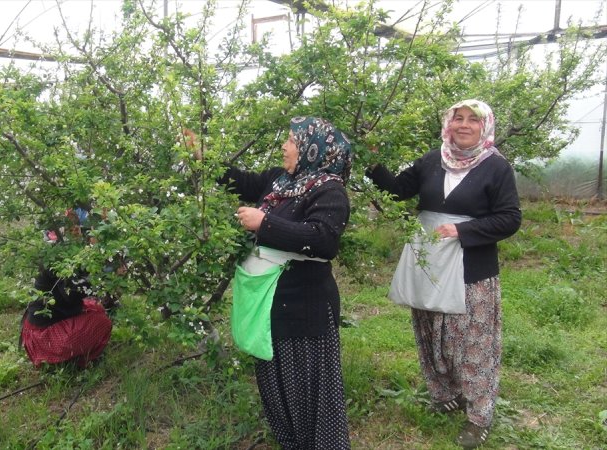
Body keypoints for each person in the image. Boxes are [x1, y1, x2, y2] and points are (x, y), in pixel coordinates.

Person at [365, 99, 521, 448]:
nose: (463, 125)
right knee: (430, 329)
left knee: (470, 341)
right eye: (457, 118)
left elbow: (510, 218)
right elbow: (397, 191)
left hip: (470, 267)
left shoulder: (496, 168)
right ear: (448, 124)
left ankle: (479, 415)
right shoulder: (432, 161)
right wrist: (372, 160)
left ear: (485, 127)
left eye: (472, 120)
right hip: (429, 259)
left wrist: (462, 231)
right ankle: (444, 393)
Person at [199, 117, 353, 449]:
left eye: (291, 141)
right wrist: (203, 157)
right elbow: (240, 180)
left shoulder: (329, 190)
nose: (284, 146)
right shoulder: (280, 181)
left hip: (304, 306)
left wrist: (264, 224)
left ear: (314, 148)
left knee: (309, 388)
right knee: (276, 380)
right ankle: (292, 442)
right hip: (270, 302)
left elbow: (324, 240)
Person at [20, 208, 114, 369]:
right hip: (44, 334)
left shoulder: (69, 252)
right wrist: (96, 269)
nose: (76, 230)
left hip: (56, 319)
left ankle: (74, 356)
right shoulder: (57, 259)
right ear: (60, 232)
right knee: (101, 322)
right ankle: (71, 363)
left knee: (97, 310)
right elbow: (71, 294)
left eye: (77, 225)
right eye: (70, 228)